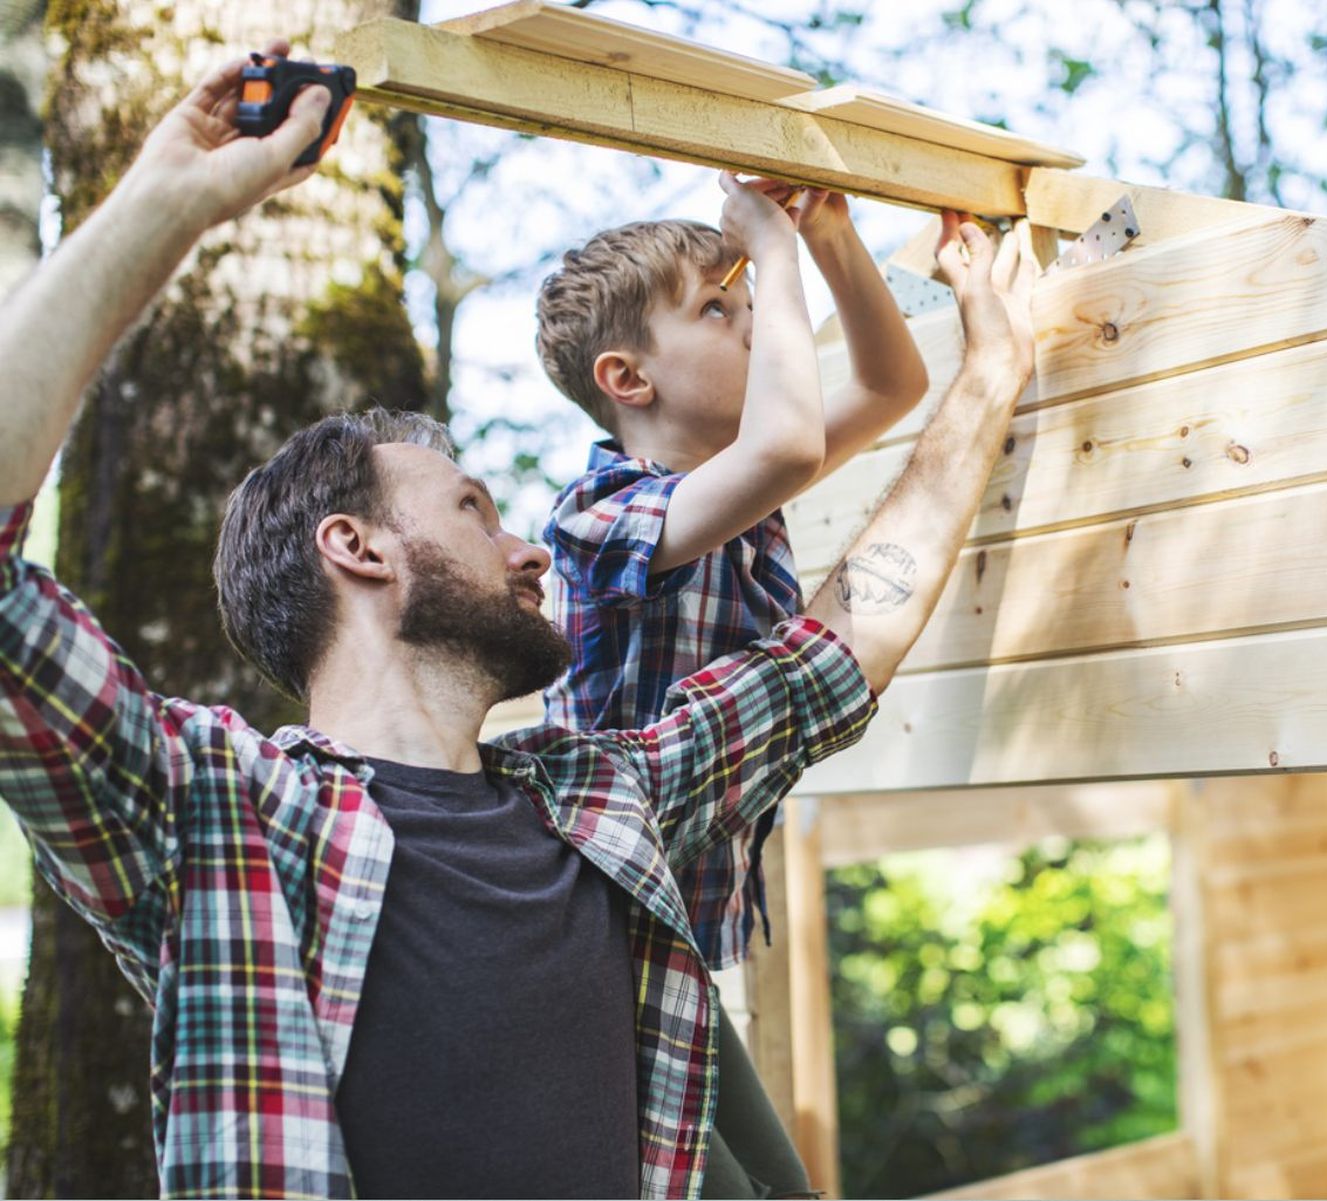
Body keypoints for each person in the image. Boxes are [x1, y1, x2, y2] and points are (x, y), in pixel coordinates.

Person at [0, 43, 1038, 1201]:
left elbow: (839, 645)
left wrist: (991, 377)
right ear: (358, 549)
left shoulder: (606, 805)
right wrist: (163, 202)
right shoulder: (218, 821)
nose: (531, 542)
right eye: (473, 510)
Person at [534, 177, 929, 1196]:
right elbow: (790, 441)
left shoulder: (741, 497)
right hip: (574, 960)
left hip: (658, 955)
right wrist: (774, 252)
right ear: (627, 377)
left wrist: (831, 239)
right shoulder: (598, 518)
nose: (754, 323)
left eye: (748, 303)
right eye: (719, 308)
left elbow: (891, 385)